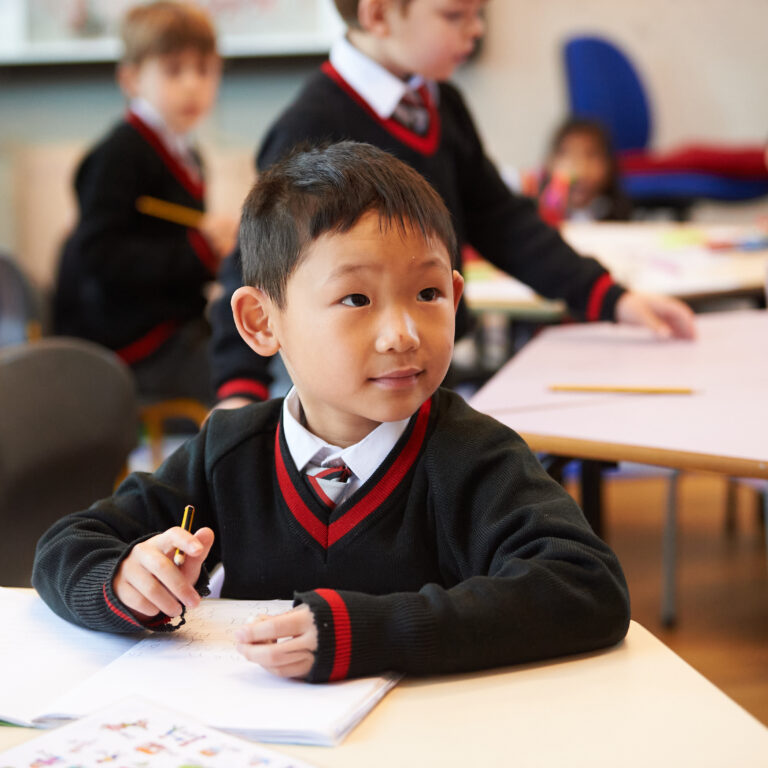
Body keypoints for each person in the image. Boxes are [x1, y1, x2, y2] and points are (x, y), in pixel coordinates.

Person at [33, 142, 630, 683]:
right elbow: (68, 544)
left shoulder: (474, 456)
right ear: (262, 322)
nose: (402, 334)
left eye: (427, 295)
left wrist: (369, 632)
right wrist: (123, 582)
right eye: (356, 299)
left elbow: (586, 585)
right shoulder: (228, 454)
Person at [209, 0, 695, 410]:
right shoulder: (309, 124)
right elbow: (255, 264)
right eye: (454, 15)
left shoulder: (442, 105)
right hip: (352, 394)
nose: (476, 30)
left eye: (477, 14)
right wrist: (239, 390)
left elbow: (503, 221)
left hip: (419, 371)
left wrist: (611, 297)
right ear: (378, 14)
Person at [54, 1, 237, 404]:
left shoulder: (189, 153)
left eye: (205, 69)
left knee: (247, 346)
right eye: (174, 70)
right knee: (242, 373)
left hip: (174, 327)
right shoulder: (119, 153)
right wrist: (198, 249)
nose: (193, 84)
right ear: (132, 79)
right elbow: (98, 257)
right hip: (130, 342)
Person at [536, 117, 633, 225]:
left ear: (609, 164)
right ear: (550, 162)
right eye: (568, 155)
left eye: (591, 156)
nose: (581, 170)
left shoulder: (618, 213)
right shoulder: (536, 213)